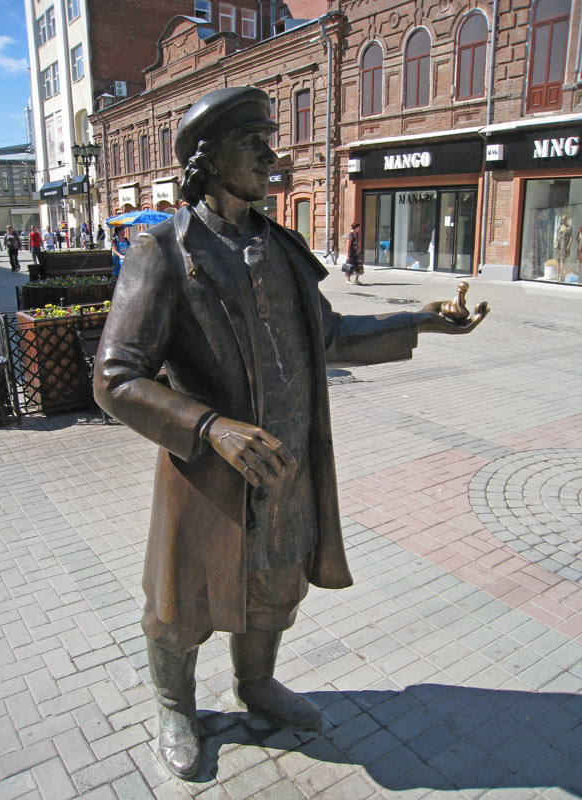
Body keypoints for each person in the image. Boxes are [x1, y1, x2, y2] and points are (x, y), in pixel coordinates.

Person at [94, 86, 489, 780]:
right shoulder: (164, 252)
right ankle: (175, 705)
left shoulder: (281, 246)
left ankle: (256, 684)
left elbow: (327, 335)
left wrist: (418, 320)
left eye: (269, 141)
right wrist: (210, 427)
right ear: (209, 157)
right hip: (209, 473)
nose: (271, 156)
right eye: (254, 143)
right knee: (183, 600)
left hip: (287, 461)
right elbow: (115, 377)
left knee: (274, 584)